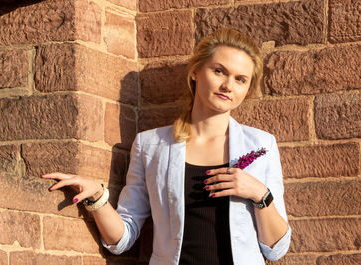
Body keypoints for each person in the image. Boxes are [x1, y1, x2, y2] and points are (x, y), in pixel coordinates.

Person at [42, 28, 291, 265]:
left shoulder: (261, 145)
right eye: (219, 71)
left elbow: (277, 248)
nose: (228, 85)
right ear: (195, 71)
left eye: (240, 79)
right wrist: (97, 197)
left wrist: (260, 194)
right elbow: (122, 238)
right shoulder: (150, 145)